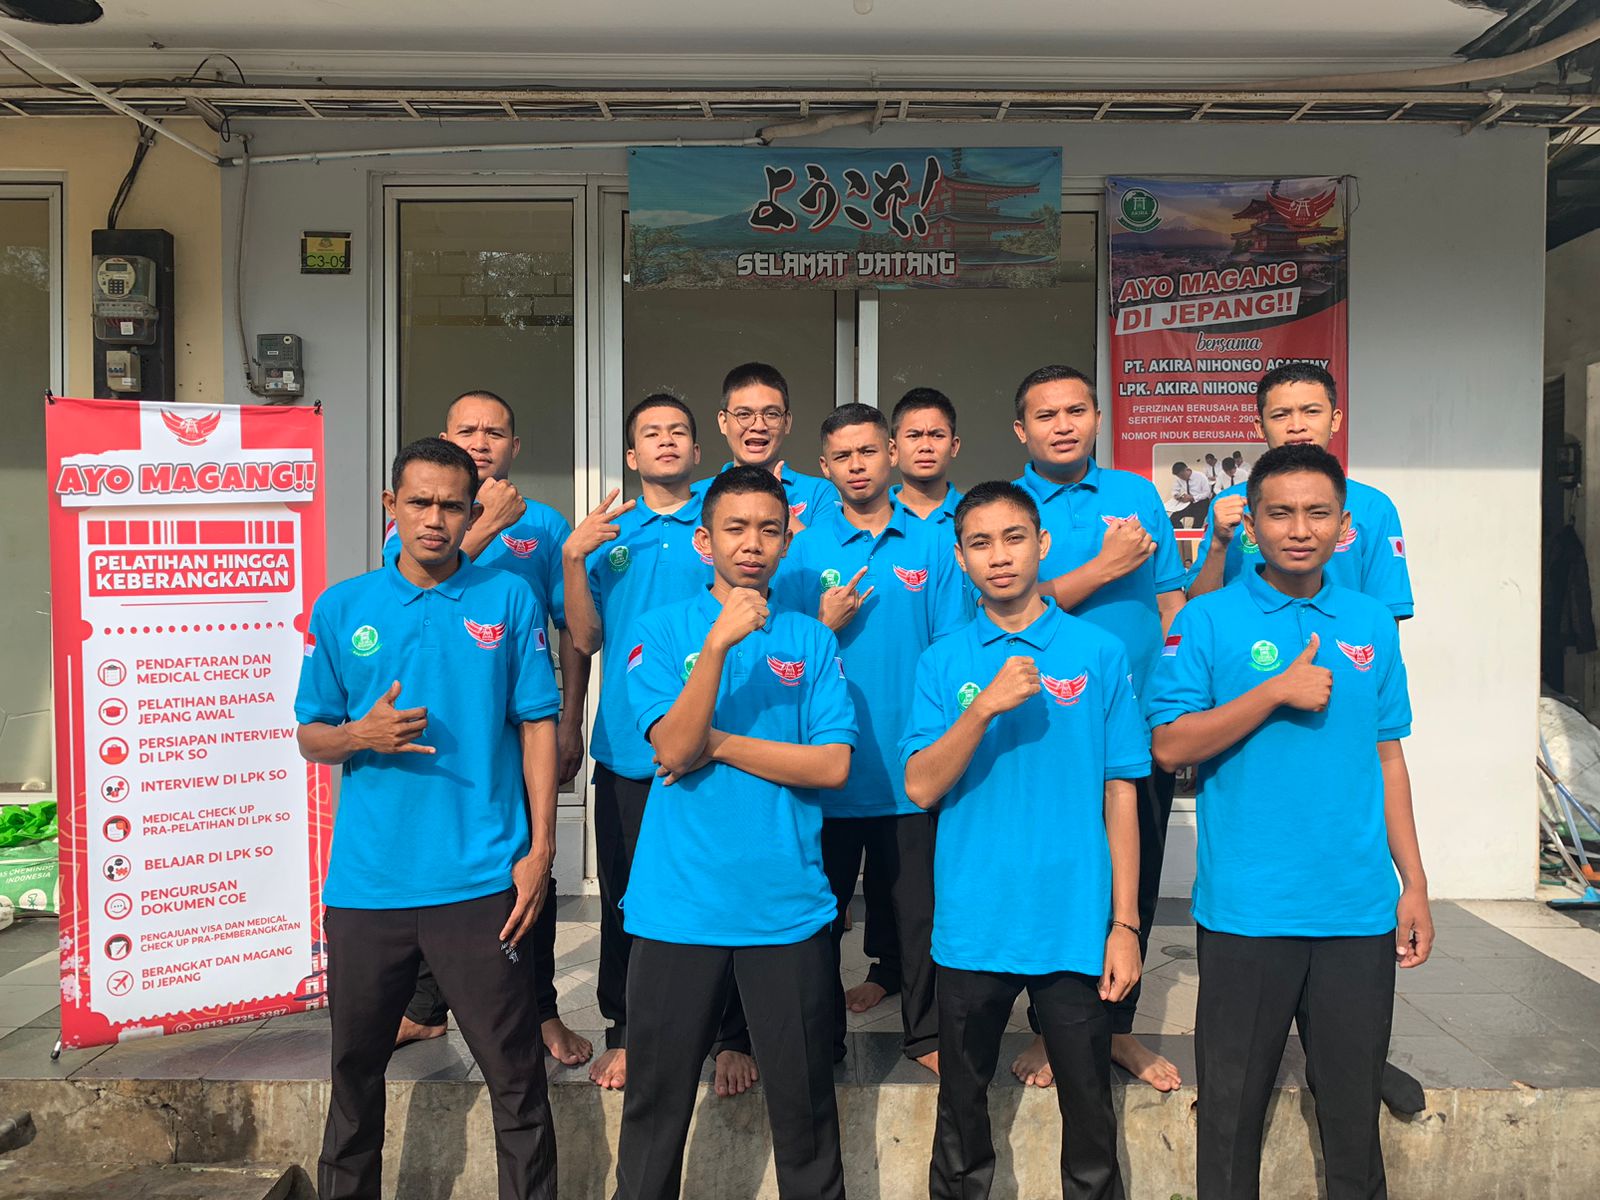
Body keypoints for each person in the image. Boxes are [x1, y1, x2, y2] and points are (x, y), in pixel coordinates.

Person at [1146, 443, 1433, 1200]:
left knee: (1352, 1120)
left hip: (1357, 908)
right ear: (1251, 525)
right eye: (1279, 513)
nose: (1298, 529)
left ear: (1344, 525)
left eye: (1316, 513)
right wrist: (1272, 692)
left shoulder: (1370, 620)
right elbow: (1170, 745)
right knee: (1231, 1118)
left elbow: (1388, 758)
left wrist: (1413, 882)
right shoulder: (1207, 619)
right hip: (1249, 911)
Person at [296, 437, 560, 1200]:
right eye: (420, 502)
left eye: (452, 505)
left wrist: (541, 848)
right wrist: (361, 735)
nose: (435, 519)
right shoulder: (343, 607)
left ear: (473, 512)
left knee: (517, 1082)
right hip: (368, 888)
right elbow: (311, 733)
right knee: (354, 1080)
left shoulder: (508, 598)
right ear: (392, 506)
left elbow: (537, 722)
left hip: (481, 881)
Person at [610, 466, 855, 1200]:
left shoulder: (809, 640)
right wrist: (715, 648)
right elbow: (671, 746)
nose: (752, 543)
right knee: (655, 1111)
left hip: (786, 906)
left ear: (786, 542)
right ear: (704, 540)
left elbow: (831, 765)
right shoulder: (660, 632)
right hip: (678, 906)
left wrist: (718, 743)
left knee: (806, 1114)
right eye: (736, 528)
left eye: (769, 529)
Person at [902, 480, 1146, 1200]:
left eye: (1014, 538)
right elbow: (920, 786)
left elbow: (1121, 793)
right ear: (960, 557)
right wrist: (982, 709)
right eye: (980, 543)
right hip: (974, 919)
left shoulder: (1098, 651)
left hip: (1073, 919)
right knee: (961, 1112)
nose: (999, 556)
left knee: (1089, 1113)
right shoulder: (942, 660)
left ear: (1042, 544)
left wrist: (1125, 924)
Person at [390, 390, 592, 1069]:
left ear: (515, 446)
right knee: (436, 859)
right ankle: (425, 1008)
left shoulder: (545, 524)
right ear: (446, 437)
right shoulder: (417, 519)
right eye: (467, 431)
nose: (481, 442)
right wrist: (481, 526)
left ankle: (540, 1008)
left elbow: (571, 631)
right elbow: (404, 589)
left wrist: (570, 721)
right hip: (438, 726)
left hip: (519, 725)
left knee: (532, 862)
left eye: (495, 432)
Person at [561, 394, 755, 1095]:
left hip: (722, 740)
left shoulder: (724, 521)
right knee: (627, 899)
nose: (666, 441)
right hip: (629, 745)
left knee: (724, 888)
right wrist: (574, 558)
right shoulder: (611, 534)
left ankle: (731, 1035)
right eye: (651, 433)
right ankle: (628, 1028)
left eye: (679, 431)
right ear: (631, 454)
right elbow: (585, 638)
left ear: (699, 451)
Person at [771, 403, 967, 1074]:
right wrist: (819, 625)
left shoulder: (934, 544)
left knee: (918, 915)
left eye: (867, 451)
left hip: (909, 767)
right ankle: (817, 1039)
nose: (857, 465)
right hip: (824, 771)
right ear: (824, 468)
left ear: (891, 454)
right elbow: (778, 655)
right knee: (816, 918)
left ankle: (927, 1036)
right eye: (842, 456)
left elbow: (952, 652)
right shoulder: (801, 551)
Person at [1009, 364, 1187, 1093]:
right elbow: (1007, 604)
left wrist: (1179, 702)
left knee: (1132, 877)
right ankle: (1050, 1026)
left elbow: (1171, 602)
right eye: (1045, 414)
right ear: (1021, 430)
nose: (1063, 425)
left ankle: (1115, 1028)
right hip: (1041, 727)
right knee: (1054, 872)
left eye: (1075, 410)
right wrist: (1106, 566)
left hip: (1135, 720)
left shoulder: (1136, 495)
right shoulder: (1010, 506)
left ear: (1097, 418)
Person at [1187, 365, 1410, 620]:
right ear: (1260, 426)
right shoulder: (1229, 505)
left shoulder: (1374, 507)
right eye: (1281, 415)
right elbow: (1196, 611)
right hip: (1243, 645)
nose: (1297, 426)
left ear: (1334, 420)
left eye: (1311, 411)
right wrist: (1219, 544)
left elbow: (1385, 620)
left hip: (1338, 646)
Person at [716, 362, 838, 527]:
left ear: (786, 422)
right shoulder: (699, 496)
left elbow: (823, 546)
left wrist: (777, 505)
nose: (759, 426)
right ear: (723, 422)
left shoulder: (819, 493)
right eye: (744, 414)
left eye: (771, 414)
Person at [890, 387, 964, 529]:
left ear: (953, 446)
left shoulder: (975, 514)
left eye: (937, 435)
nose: (925, 446)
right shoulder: (874, 515)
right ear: (893, 450)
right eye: (914, 435)